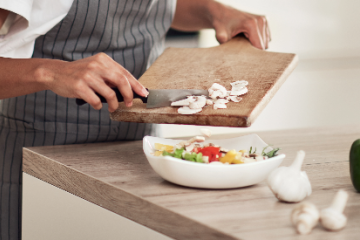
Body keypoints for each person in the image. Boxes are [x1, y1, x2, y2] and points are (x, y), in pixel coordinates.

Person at [0, 0, 270, 239]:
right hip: (43, 156)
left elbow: (158, 7)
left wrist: (213, 11)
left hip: (139, 155)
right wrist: (51, 73)